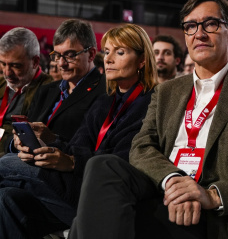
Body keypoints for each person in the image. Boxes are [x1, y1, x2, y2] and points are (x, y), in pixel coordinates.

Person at [67, 0, 228, 239]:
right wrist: (173, 180)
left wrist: (212, 195)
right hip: (162, 189)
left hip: (212, 212)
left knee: (84, 223)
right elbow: (141, 146)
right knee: (102, 164)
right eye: (191, 26)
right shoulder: (167, 90)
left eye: (211, 24)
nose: (200, 33)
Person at [0, 23, 158, 239]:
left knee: (4, 163)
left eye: (120, 52)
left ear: (142, 60)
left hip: (97, 192)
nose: (109, 59)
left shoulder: (152, 103)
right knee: (6, 198)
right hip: (73, 181)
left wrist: (72, 161)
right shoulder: (106, 102)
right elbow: (77, 145)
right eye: (108, 52)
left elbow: (124, 161)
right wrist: (51, 141)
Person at [6, 18, 106, 154]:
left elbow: (93, 148)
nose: (61, 63)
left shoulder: (105, 90)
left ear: (91, 54)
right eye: (57, 56)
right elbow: (25, 132)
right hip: (27, 160)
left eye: (70, 55)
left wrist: (54, 140)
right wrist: (17, 143)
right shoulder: (45, 90)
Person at [0, 27, 53, 157]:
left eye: (15, 65)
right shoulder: (1, 82)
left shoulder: (51, 90)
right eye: (2, 64)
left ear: (35, 62)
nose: (7, 72)